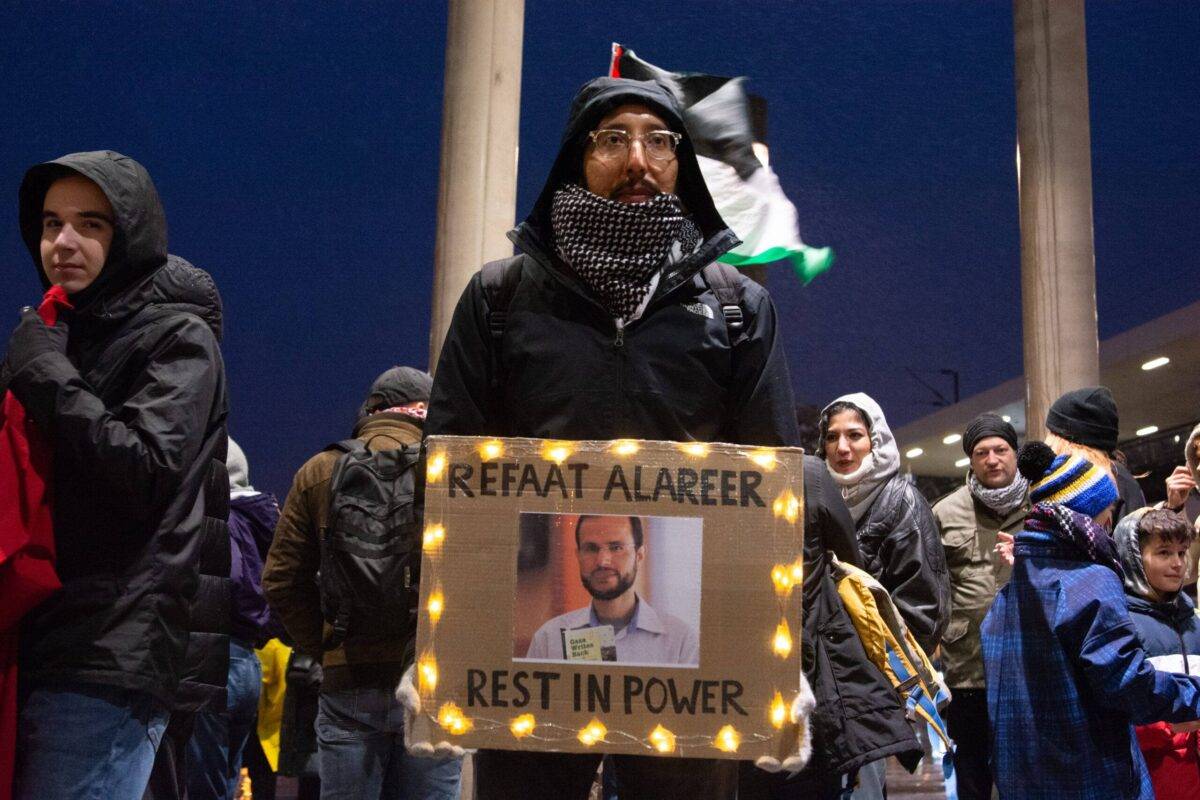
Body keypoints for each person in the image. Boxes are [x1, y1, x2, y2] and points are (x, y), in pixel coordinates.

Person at [424, 76, 919, 800]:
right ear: (573, 159)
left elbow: (770, 487)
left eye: (660, 142)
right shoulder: (500, 300)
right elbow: (449, 480)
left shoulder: (736, 307)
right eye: (613, 139)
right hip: (526, 682)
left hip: (694, 677)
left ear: (682, 164)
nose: (639, 160)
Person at [3, 151, 228, 800]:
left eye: (90, 224)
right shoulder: (60, 335)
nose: (63, 242)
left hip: (108, 649)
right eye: (50, 224)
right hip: (45, 635)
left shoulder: (178, 340)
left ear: (129, 235)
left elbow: (142, 470)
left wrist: (46, 377)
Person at [263, 366, 461, 800]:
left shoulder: (321, 470)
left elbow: (280, 579)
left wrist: (325, 646)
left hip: (348, 679)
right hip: (431, 683)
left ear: (371, 410)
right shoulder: (453, 472)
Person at [981, 442, 1200, 799]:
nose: (1110, 523)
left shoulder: (1011, 592)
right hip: (1091, 778)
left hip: (1025, 778)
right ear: (1089, 515)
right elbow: (1128, 683)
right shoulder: (1090, 581)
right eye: (1107, 512)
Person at [817, 393, 949, 798]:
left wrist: (883, 675)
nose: (842, 447)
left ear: (876, 439)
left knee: (863, 786)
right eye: (833, 436)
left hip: (871, 684)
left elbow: (925, 608)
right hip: (823, 679)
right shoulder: (814, 497)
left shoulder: (901, 501)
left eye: (855, 435)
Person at [932, 413, 1027, 800]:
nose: (992, 459)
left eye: (1001, 450)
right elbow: (932, 586)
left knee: (1025, 771)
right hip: (967, 669)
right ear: (970, 460)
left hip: (1029, 667)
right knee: (971, 774)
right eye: (981, 452)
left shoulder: (1043, 505)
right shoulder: (944, 512)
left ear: (1015, 454)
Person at [186, 438, 282, 799]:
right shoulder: (258, 522)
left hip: (213, 662)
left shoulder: (218, 521)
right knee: (226, 778)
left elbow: (229, 583)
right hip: (247, 664)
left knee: (202, 784)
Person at [525, 515, 698, 665]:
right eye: (591, 548)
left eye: (616, 548)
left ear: (639, 556)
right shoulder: (548, 640)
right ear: (578, 557)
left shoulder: (681, 642)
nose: (602, 561)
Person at [1114, 508, 1200, 800]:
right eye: (1164, 553)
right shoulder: (1120, 621)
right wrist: (1169, 728)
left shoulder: (1192, 619)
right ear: (1134, 558)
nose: (1177, 563)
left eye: (1182, 552)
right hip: (1149, 775)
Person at [1045, 385, 1146, 523]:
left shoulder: (1092, 484)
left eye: (1052, 433)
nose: (1047, 441)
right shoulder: (1120, 481)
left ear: (1065, 441)